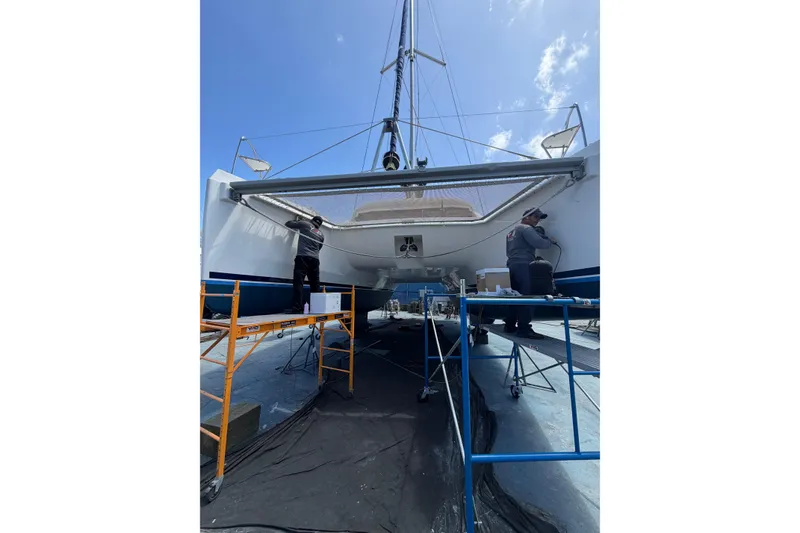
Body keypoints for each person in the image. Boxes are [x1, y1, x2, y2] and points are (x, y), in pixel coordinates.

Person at [504, 207, 557, 339]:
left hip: (512, 265)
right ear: (526, 216)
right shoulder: (526, 229)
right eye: (535, 217)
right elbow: (539, 243)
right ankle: (524, 328)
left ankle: (509, 325)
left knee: (514, 296)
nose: (537, 221)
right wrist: (550, 241)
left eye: (539, 218)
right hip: (524, 265)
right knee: (527, 295)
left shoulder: (511, 232)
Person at [285, 215, 325, 313]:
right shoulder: (321, 235)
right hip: (315, 259)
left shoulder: (306, 224)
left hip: (303, 257)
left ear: (312, 220)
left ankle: (297, 307)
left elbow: (288, 224)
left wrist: (298, 221)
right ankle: (316, 307)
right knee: (315, 285)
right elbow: (319, 248)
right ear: (319, 225)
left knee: (299, 283)